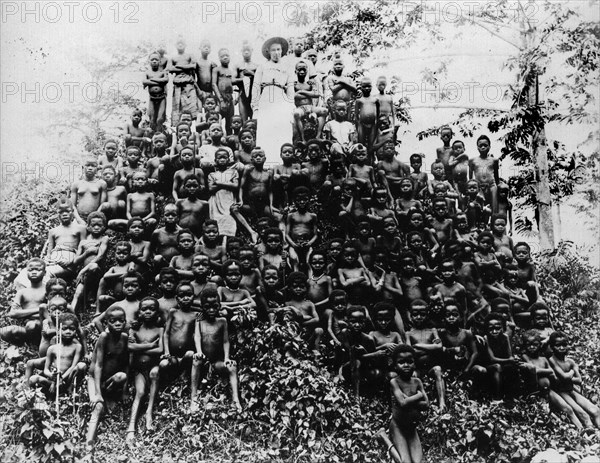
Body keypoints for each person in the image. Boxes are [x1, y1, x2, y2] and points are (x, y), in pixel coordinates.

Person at [190, 288, 242, 412]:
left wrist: (226, 358)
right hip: (204, 360)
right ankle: (193, 398)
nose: (212, 310)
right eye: (208, 307)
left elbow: (225, 341)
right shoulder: (199, 321)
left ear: (219, 305)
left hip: (216, 361)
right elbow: (197, 336)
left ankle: (236, 400)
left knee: (232, 367)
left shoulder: (222, 321)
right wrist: (199, 352)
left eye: (215, 306)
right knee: (196, 361)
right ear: (202, 307)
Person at [86, 305, 129, 447]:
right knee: (98, 408)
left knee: (121, 376)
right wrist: (97, 393)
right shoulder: (104, 337)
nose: (117, 323)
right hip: (95, 379)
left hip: (110, 380)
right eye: (113, 321)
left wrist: (124, 391)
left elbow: (125, 364)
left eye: (121, 321)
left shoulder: (124, 338)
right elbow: (97, 366)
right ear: (106, 323)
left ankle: (109, 396)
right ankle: (89, 444)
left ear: (125, 322)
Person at [251, 37, 294, 165]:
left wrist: (291, 106)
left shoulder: (287, 67)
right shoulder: (262, 66)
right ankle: (266, 163)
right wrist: (255, 107)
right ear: (268, 52)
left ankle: (282, 164)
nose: (276, 53)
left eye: (279, 49)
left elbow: (290, 89)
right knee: (266, 129)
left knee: (282, 128)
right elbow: (256, 86)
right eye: (273, 50)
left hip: (281, 99)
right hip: (266, 99)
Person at [126, 297, 164, 440]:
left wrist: (139, 349)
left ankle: (149, 413)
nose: (148, 312)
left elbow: (161, 349)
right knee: (140, 392)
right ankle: (130, 428)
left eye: (152, 309)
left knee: (155, 372)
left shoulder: (160, 330)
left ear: (157, 312)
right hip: (139, 371)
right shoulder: (134, 330)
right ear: (139, 312)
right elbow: (129, 347)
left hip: (152, 368)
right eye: (144, 309)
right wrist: (149, 346)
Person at [387, 345, 428, 463]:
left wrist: (408, 400)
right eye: (401, 362)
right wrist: (419, 396)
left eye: (409, 362)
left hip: (411, 427)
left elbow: (427, 404)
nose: (406, 365)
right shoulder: (394, 382)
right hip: (398, 426)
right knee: (405, 462)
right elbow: (403, 403)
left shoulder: (417, 381)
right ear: (395, 365)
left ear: (415, 364)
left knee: (418, 462)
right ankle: (383, 437)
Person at [169, 37, 199, 125]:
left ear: (185, 45)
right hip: (178, 85)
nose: (180, 45)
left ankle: (193, 130)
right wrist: (185, 67)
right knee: (178, 109)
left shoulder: (190, 55)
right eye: (178, 43)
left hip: (189, 85)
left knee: (192, 108)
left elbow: (193, 66)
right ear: (175, 45)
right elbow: (170, 69)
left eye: (182, 43)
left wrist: (179, 67)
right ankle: (179, 130)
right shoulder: (173, 58)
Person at [70, 161, 107, 226]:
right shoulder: (76, 184)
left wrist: (94, 217)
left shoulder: (101, 183)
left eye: (93, 166)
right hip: (80, 217)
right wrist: (79, 220)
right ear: (83, 168)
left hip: (96, 217)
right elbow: (72, 205)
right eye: (87, 165)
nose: (90, 168)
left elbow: (102, 205)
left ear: (97, 169)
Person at [212, 48, 236, 135]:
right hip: (219, 98)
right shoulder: (217, 70)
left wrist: (235, 98)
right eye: (222, 56)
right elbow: (214, 84)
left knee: (230, 123)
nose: (225, 57)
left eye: (227, 55)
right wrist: (221, 100)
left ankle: (229, 143)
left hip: (230, 98)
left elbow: (235, 85)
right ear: (219, 58)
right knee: (216, 122)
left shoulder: (232, 71)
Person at [143, 51, 169, 131]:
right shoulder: (147, 72)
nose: (154, 61)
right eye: (152, 60)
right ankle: (152, 136)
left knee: (160, 119)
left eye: (156, 60)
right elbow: (144, 81)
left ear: (160, 61)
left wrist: (152, 79)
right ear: (149, 61)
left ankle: (159, 134)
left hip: (161, 98)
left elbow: (166, 80)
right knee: (152, 119)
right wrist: (158, 81)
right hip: (152, 98)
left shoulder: (162, 72)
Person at [235, 41, 258, 121]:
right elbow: (232, 80)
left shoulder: (256, 66)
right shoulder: (238, 65)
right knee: (243, 121)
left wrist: (252, 74)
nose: (246, 52)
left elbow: (261, 80)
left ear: (252, 50)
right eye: (244, 50)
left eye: (248, 50)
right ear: (241, 51)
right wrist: (245, 79)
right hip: (242, 94)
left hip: (254, 95)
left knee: (254, 121)